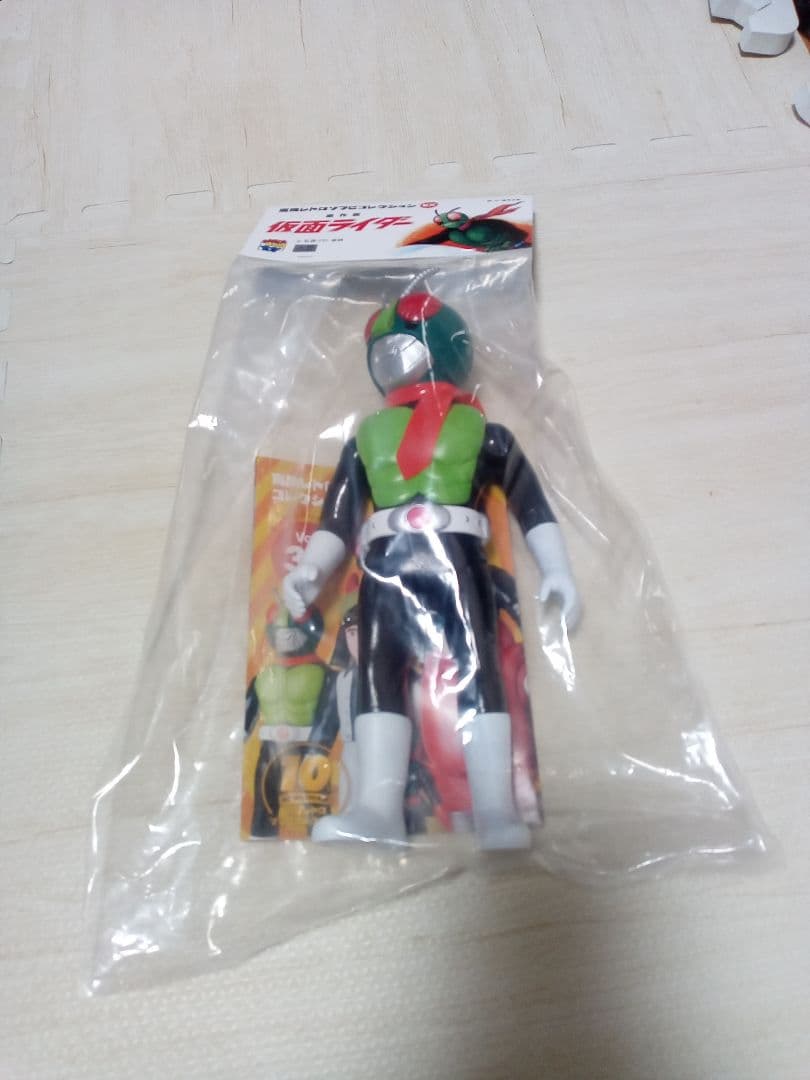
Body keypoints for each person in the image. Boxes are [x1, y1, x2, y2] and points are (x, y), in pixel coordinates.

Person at [284, 292, 580, 849]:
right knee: (377, 675)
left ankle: (496, 809)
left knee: (478, 671)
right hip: (384, 563)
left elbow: (531, 504)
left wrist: (557, 569)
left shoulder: (484, 433)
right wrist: (312, 569)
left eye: (402, 343)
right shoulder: (366, 438)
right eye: (382, 347)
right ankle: (377, 810)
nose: (390, 355)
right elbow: (337, 518)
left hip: (458, 560)